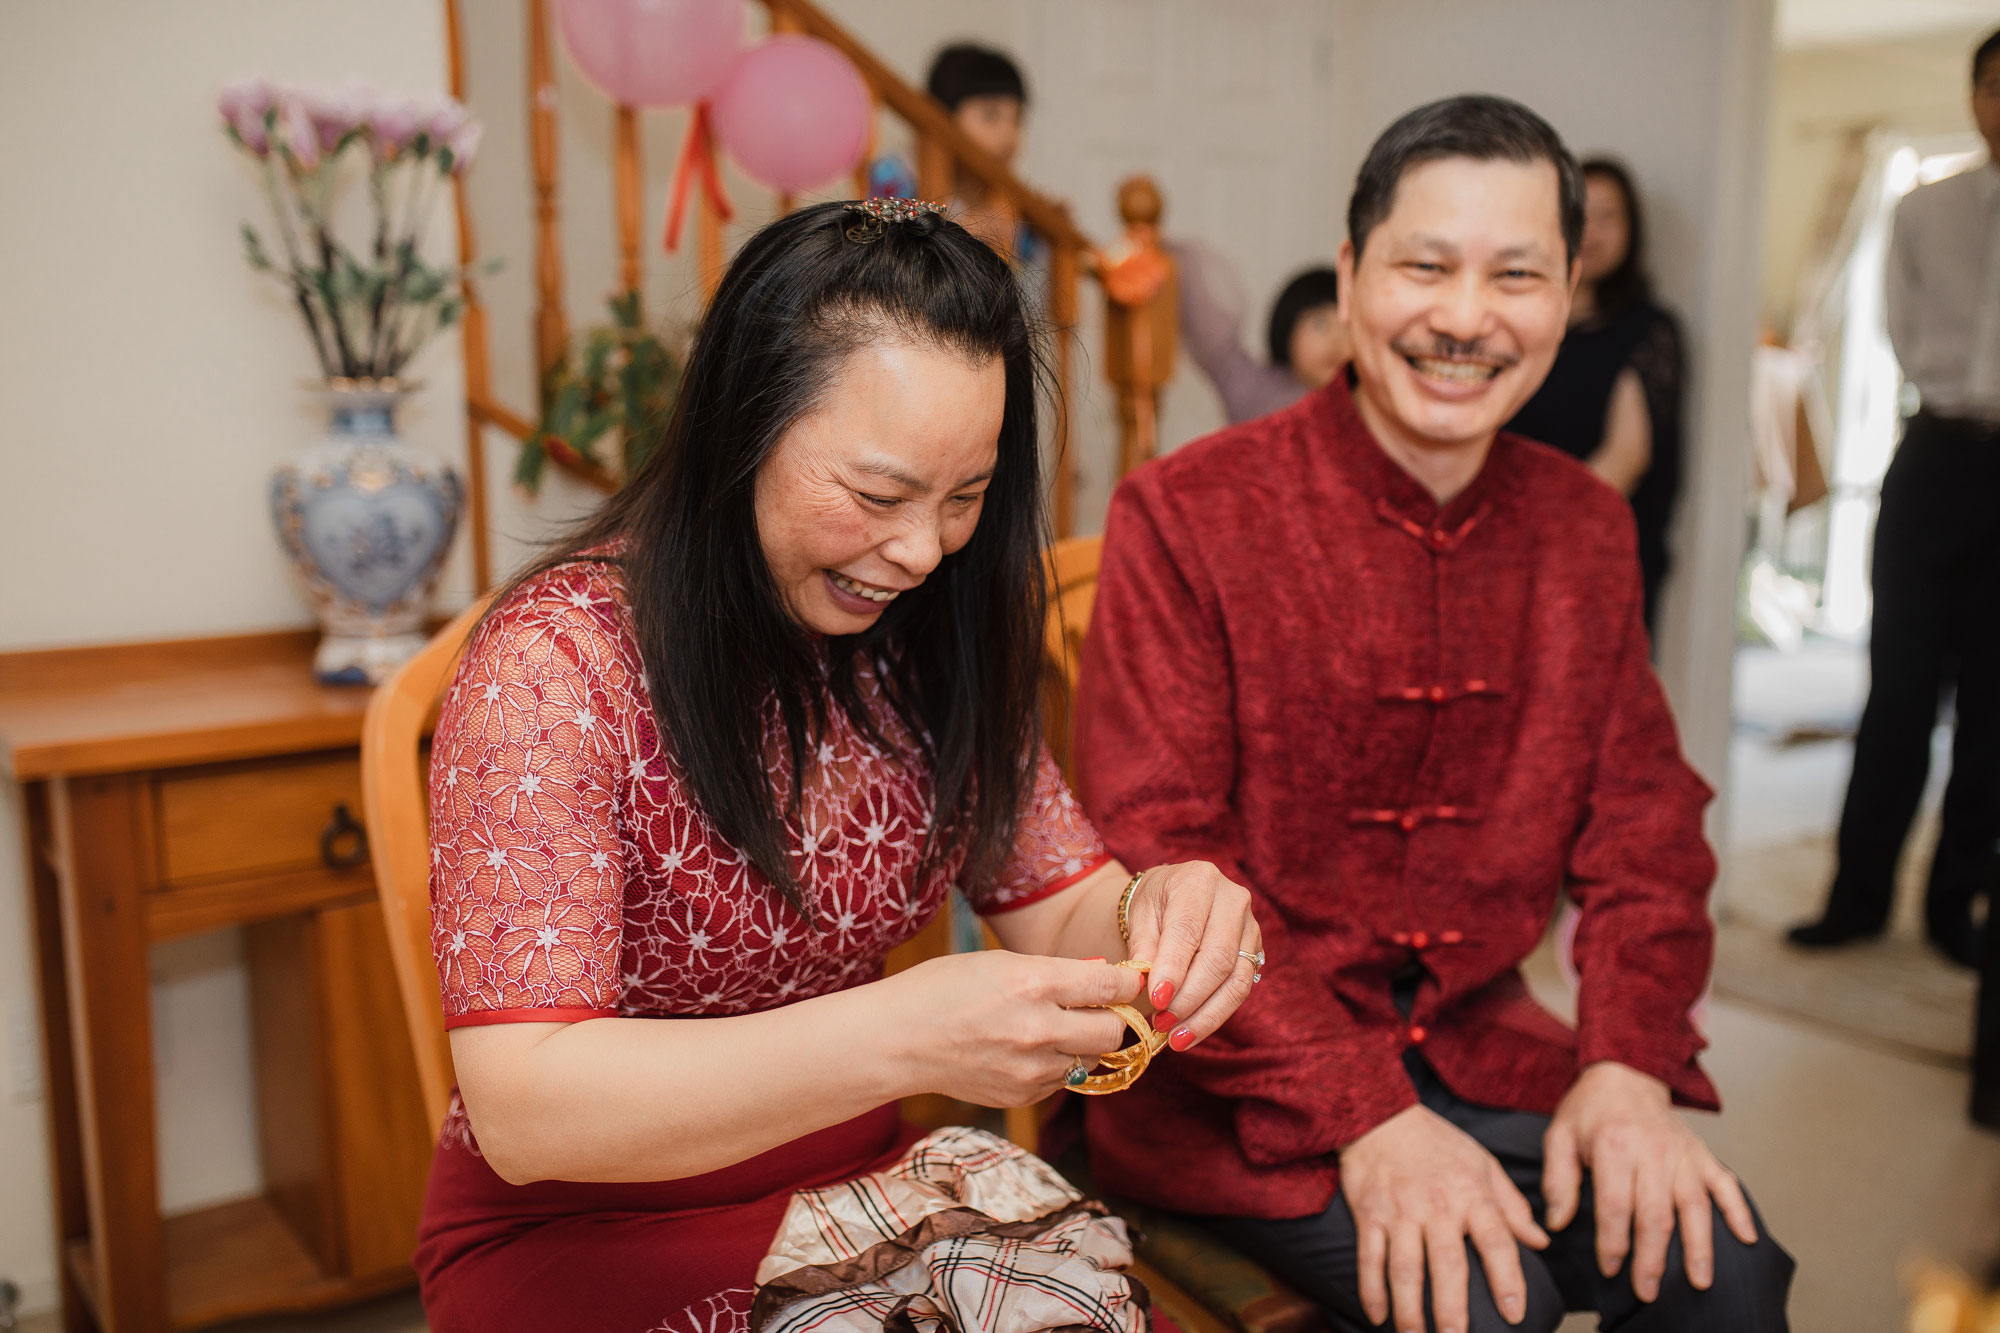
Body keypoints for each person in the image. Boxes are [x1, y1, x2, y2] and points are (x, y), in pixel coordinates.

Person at [414, 199, 1261, 1333]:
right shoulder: (556, 668)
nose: (919, 551)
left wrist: (1161, 913)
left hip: (854, 1188)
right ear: (741, 428)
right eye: (875, 495)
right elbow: (526, 1113)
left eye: (964, 499)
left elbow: (1061, 912)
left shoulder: (926, 638)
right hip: (576, 1227)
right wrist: (904, 1034)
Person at [1072, 96, 1794, 1333]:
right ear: (1350, 279)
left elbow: (1642, 827)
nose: (1464, 318)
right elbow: (1162, 859)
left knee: (1719, 1276)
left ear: (1566, 292)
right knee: (1475, 1304)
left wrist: (1624, 1063)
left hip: (1478, 1045)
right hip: (1237, 1091)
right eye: (1423, 266)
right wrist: (1364, 1115)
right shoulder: (1184, 512)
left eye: (1514, 274)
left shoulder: (1583, 526)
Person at [1787, 27, 2000, 973]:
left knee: (1992, 706)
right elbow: (1900, 325)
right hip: (1936, 454)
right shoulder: (1925, 206)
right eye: (1992, 85)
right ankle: (1855, 897)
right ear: (1972, 96)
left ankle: (1958, 903)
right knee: (1898, 687)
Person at [1507, 157, 1686, 634]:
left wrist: (1532, 537)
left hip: (1596, 556)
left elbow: (1625, 459)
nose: (1593, 231)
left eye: (1611, 217)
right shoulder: (1515, 322)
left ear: (1632, 230)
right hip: (1501, 550)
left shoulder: (1648, 330)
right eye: (1581, 215)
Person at [1175, 243, 1349, 423]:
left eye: (1348, 328)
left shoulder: (1366, 409)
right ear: (1287, 327)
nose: (1338, 341)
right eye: (1319, 324)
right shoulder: (1255, 390)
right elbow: (1213, 337)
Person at [925, 42, 1040, 261]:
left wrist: (1043, 231)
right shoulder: (899, 177)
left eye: (1017, 119)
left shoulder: (1010, 198)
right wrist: (967, 230)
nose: (1008, 134)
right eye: (991, 116)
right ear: (943, 118)